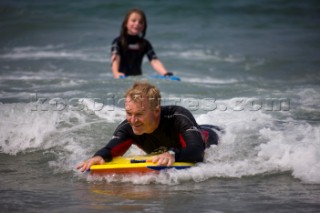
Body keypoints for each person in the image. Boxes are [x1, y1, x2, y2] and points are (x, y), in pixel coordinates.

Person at [77, 81, 219, 172]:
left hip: (211, 135)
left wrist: (173, 153)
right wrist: (99, 156)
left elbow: (197, 152)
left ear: (156, 111)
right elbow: (111, 148)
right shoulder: (128, 127)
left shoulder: (178, 117)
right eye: (128, 113)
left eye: (139, 114)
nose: (133, 120)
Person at [111, 8, 173, 79]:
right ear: (126, 23)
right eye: (133, 20)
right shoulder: (118, 42)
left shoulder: (144, 43)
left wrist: (165, 74)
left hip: (137, 79)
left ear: (144, 26)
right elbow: (115, 58)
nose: (137, 24)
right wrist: (116, 73)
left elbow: (154, 61)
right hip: (121, 78)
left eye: (140, 22)